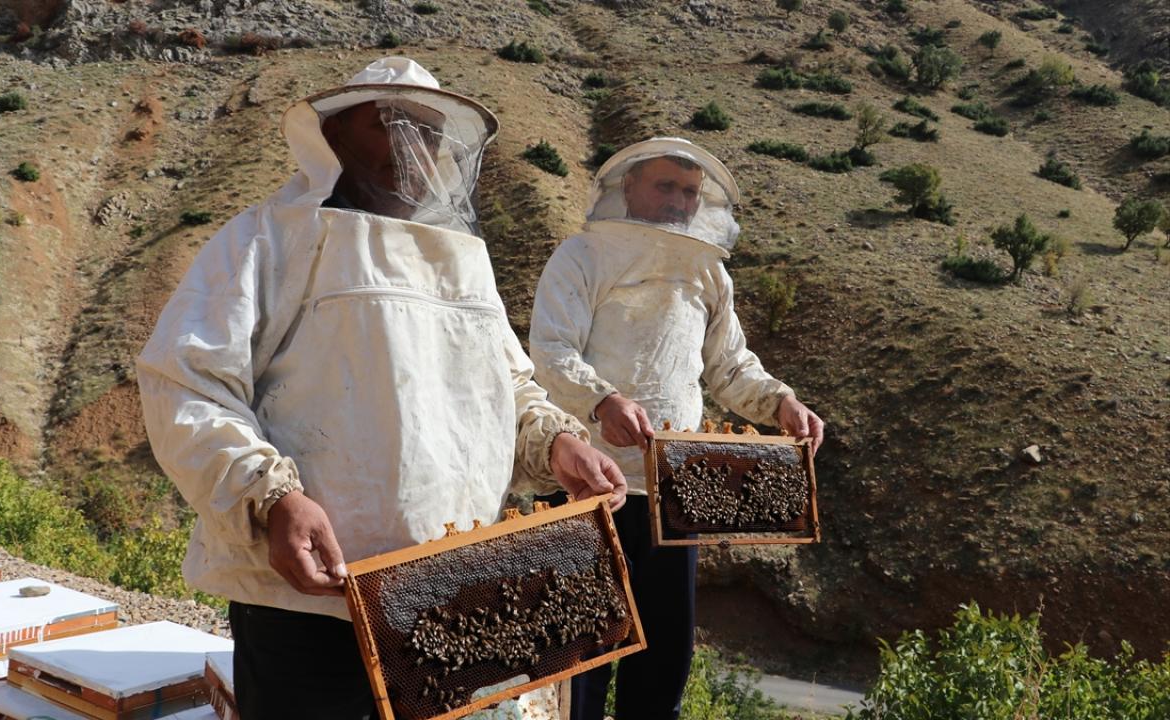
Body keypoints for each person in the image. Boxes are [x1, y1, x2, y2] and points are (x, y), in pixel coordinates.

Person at [136, 57, 627, 720]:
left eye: (428, 133)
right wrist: (270, 498)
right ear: (334, 135)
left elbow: (506, 388)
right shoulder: (267, 239)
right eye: (390, 125)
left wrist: (556, 443)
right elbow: (186, 385)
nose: (411, 148)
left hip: (449, 597)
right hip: (309, 601)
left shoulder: (460, 263)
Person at [527, 137, 824, 720]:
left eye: (689, 192)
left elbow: (729, 365)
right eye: (665, 185)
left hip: (675, 497)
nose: (678, 201)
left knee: (664, 661)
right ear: (629, 187)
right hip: (587, 486)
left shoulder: (707, 271)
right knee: (580, 657)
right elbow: (551, 351)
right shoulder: (582, 255)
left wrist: (781, 402)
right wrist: (602, 401)